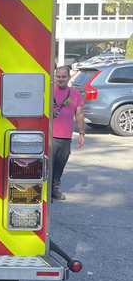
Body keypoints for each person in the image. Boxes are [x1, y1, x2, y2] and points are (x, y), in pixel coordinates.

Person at [52, 66, 85, 201]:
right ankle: (45, 193)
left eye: (63, 77)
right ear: (55, 77)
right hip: (50, 137)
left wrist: (81, 133)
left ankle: (54, 190)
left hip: (66, 137)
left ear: (69, 77)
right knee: (47, 166)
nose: (61, 79)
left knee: (60, 165)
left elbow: (79, 114)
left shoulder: (75, 94)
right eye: (58, 77)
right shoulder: (48, 91)